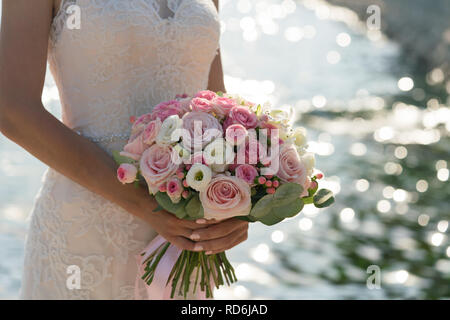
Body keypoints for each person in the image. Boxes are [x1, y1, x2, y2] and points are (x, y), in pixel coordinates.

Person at [0, 0, 248, 299]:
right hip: (85, 233)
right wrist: (145, 204)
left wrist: (236, 207)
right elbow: (12, 109)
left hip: (184, 237)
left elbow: (215, 104)